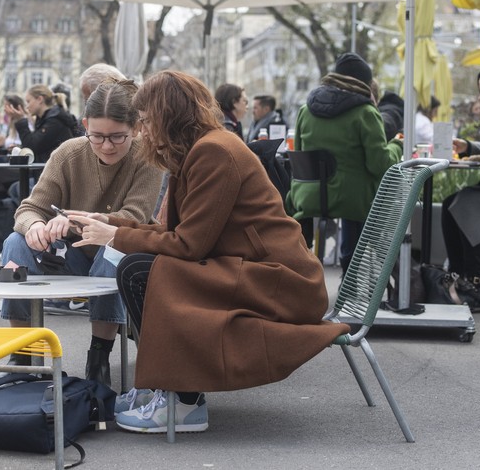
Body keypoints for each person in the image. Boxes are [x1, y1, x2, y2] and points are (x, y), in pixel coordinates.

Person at [68, 70, 348, 434]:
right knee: (140, 266)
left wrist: (114, 236)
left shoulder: (214, 152)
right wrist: (111, 224)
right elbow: (175, 234)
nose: (143, 131)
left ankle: (183, 401)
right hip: (256, 270)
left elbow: (188, 245)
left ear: (169, 117)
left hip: (280, 282)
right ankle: (164, 389)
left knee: (140, 269)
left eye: (147, 120)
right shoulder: (202, 148)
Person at [0, 81, 164, 386]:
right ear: (85, 125)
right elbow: (28, 209)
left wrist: (78, 222)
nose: (107, 145)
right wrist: (36, 227)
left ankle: (99, 355)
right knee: (14, 243)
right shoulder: (69, 153)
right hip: (71, 256)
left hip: (122, 252)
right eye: (97, 136)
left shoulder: (147, 158)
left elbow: (134, 219)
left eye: (118, 136)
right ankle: (22, 351)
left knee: (114, 249)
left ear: (136, 128)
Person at [287, 52, 403, 273]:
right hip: (351, 201)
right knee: (362, 195)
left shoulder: (305, 111)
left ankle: (302, 268)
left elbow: (300, 155)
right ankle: (351, 277)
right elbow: (380, 165)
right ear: (365, 84)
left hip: (307, 197)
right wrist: (398, 144)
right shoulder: (365, 113)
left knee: (348, 191)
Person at [441, 64, 480, 310]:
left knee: (466, 204)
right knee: (449, 203)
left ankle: (476, 285)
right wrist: (469, 147)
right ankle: (459, 277)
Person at [5, 84, 80, 164]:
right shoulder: (46, 118)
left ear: (40, 99)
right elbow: (41, 145)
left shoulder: (54, 121)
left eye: (28, 101)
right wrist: (21, 147)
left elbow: (32, 146)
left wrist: (20, 120)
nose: (27, 106)